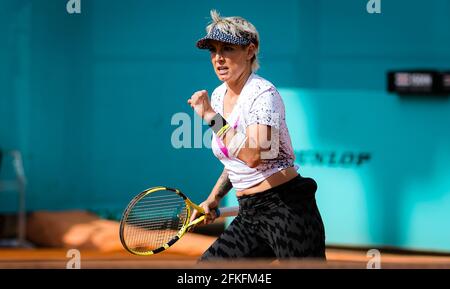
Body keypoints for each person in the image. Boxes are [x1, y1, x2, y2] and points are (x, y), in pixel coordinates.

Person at [187, 10, 326, 261]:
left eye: (227, 49)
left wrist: (210, 116)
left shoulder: (263, 94)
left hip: (288, 210)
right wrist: (214, 198)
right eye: (213, 50)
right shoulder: (218, 96)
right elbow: (237, 158)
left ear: (250, 51)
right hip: (250, 216)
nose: (218, 58)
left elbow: (252, 155)